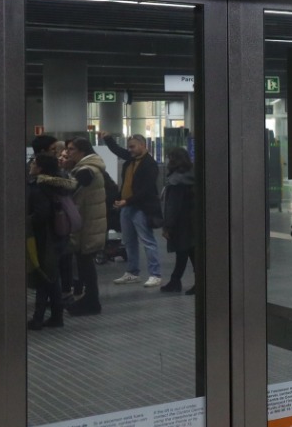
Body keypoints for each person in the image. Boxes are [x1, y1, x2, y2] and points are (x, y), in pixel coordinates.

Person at [103, 133, 163, 287]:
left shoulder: (150, 164)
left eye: (132, 147)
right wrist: (108, 139)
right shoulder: (131, 159)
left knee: (147, 241)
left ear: (143, 145)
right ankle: (132, 272)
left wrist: (127, 201)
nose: (129, 150)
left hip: (141, 208)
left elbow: (146, 190)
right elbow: (117, 150)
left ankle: (155, 274)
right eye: (129, 147)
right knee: (129, 242)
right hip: (127, 207)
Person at [62, 137, 110, 315]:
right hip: (90, 220)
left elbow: (69, 187)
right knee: (84, 262)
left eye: (71, 149)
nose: (68, 153)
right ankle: (90, 298)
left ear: (82, 151)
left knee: (85, 262)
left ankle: (92, 300)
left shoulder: (86, 170)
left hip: (87, 223)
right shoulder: (92, 167)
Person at [27, 153, 69, 329]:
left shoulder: (39, 188)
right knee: (52, 277)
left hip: (45, 238)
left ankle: (38, 318)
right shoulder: (59, 184)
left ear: (40, 168)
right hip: (59, 234)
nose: (31, 165)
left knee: (44, 277)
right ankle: (56, 316)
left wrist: (25, 221)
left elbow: (41, 214)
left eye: (33, 163)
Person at [160, 146, 196, 294]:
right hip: (192, 220)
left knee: (184, 251)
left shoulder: (176, 180)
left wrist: (167, 226)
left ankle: (176, 282)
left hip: (180, 223)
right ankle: (176, 281)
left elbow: (172, 206)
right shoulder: (192, 175)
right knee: (189, 251)